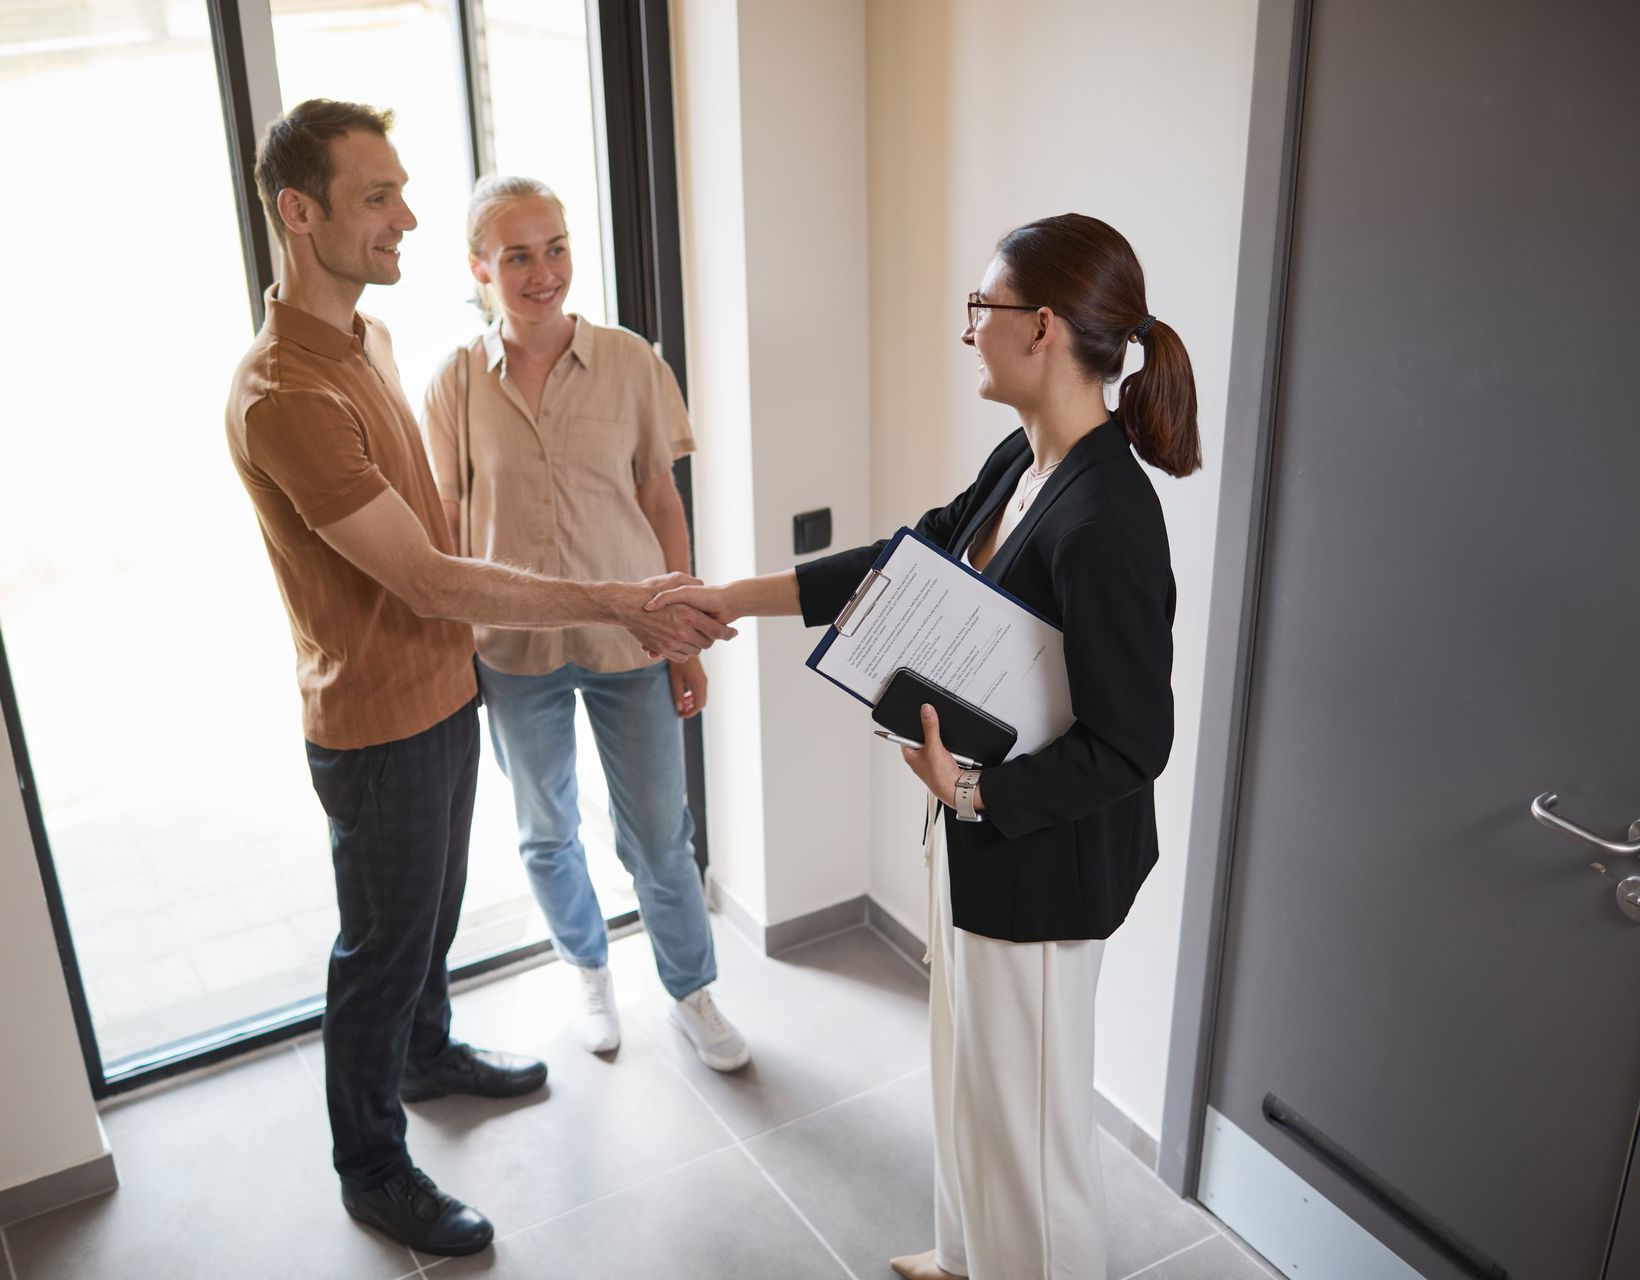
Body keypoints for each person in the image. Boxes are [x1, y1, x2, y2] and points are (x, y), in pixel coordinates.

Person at [223, 99, 734, 1259]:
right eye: (377, 197)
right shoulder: (287, 393)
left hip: (446, 693)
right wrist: (619, 599)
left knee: (433, 917)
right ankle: (374, 1165)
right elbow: (432, 572)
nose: (403, 214)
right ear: (300, 215)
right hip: (381, 717)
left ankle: (430, 1049)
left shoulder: (367, 343)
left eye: (403, 191)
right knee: (382, 947)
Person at [649, 213, 1196, 1280]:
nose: (967, 332)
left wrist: (978, 796)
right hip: (972, 827)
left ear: (1040, 327)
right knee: (966, 1079)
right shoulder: (1026, 458)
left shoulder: (1108, 520)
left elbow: (1137, 744)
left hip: (1039, 864)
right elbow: (904, 563)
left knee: (1035, 1149)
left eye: (979, 310)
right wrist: (731, 598)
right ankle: (963, 1254)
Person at [420, 175, 748, 1071]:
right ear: (480, 268)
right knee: (546, 830)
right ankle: (588, 971)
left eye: (556, 247)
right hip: (513, 652)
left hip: (630, 640)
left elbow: (658, 499)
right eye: (518, 255)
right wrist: (453, 647)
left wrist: (683, 633)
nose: (543, 272)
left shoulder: (632, 363)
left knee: (658, 833)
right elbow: (447, 521)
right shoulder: (453, 382)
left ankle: (692, 990)